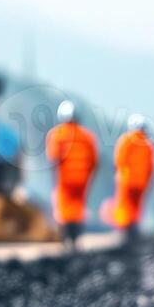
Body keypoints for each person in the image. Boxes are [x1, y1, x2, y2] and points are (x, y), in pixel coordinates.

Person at [45, 100, 98, 250]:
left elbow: (53, 157)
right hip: (82, 179)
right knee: (78, 208)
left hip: (65, 179)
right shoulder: (88, 137)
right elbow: (94, 161)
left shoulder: (57, 134)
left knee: (64, 208)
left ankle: (66, 239)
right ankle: (75, 238)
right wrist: (88, 177)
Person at [112, 114, 154, 239]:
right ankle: (133, 231)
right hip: (141, 184)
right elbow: (151, 168)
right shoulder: (149, 145)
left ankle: (124, 232)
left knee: (124, 207)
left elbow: (118, 161)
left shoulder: (126, 140)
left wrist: (119, 176)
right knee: (136, 209)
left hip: (127, 182)